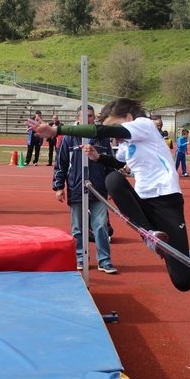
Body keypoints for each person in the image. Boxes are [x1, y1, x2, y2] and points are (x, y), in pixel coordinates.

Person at [28, 98, 190, 292]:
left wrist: (57, 130)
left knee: (182, 282)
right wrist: (98, 157)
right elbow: (119, 163)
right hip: (142, 201)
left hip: (167, 199)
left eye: (115, 128)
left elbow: (100, 131)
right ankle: (149, 235)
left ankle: (187, 256)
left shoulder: (143, 125)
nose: (115, 136)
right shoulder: (127, 144)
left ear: (128, 118)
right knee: (113, 180)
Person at [52, 105, 116, 274]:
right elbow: (61, 164)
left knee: (101, 226)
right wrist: (59, 187)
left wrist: (111, 187)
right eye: (85, 116)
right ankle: (80, 257)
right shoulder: (69, 138)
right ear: (78, 117)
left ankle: (104, 260)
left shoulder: (102, 138)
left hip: (99, 188)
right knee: (78, 227)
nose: (88, 119)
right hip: (76, 187)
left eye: (91, 116)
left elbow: (109, 164)